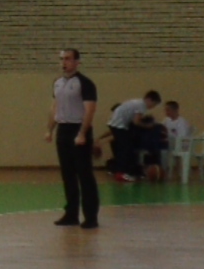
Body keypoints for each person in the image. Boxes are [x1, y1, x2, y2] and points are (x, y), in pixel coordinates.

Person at [47, 49, 100, 229]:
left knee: (84, 175)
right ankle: (71, 214)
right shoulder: (57, 83)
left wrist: (82, 133)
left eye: (68, 59)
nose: (64, 62)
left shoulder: (85, 83)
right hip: (63, 129)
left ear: (77, 62)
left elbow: (90, 110)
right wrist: (50, 129)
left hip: (78, 128)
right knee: (67, 174)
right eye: (62, 59)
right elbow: (55, 108)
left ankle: (91, 216)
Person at [106, 91, 162, 182]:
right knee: (125, 149)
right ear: (149, 99)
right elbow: (136, 122)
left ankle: (123, 171)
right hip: (119, 125)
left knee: (125, 148)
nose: (152, 107)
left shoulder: (136, 102)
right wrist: (148, 126)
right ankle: (121, 173)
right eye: (154, 104)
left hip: (116, 123)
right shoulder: (142, 106)